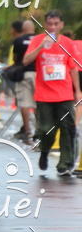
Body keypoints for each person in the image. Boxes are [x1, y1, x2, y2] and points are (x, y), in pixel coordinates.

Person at [23, 10, 82, 175]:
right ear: (45, 25)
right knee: (46, 129)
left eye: (56, 24)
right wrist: (42, 45)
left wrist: (78, 91)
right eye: (49, 24)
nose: (53, 27)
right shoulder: (37, 40)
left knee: (68, 128)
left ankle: (65, 164)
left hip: (65, 95)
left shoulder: (68, 43)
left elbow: (73, 69)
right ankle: (44, 151)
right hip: (44, 95)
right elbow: (26, 60)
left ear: (61, 25)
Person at [12, 18, 36, 143]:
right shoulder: (40, 39)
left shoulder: (19, 40)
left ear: (23, 29)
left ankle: (28, 132)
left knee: (25, 103)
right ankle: (39, 132)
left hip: (24, 74)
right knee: (38, 103)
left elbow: (16, 59)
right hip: (39, 75)